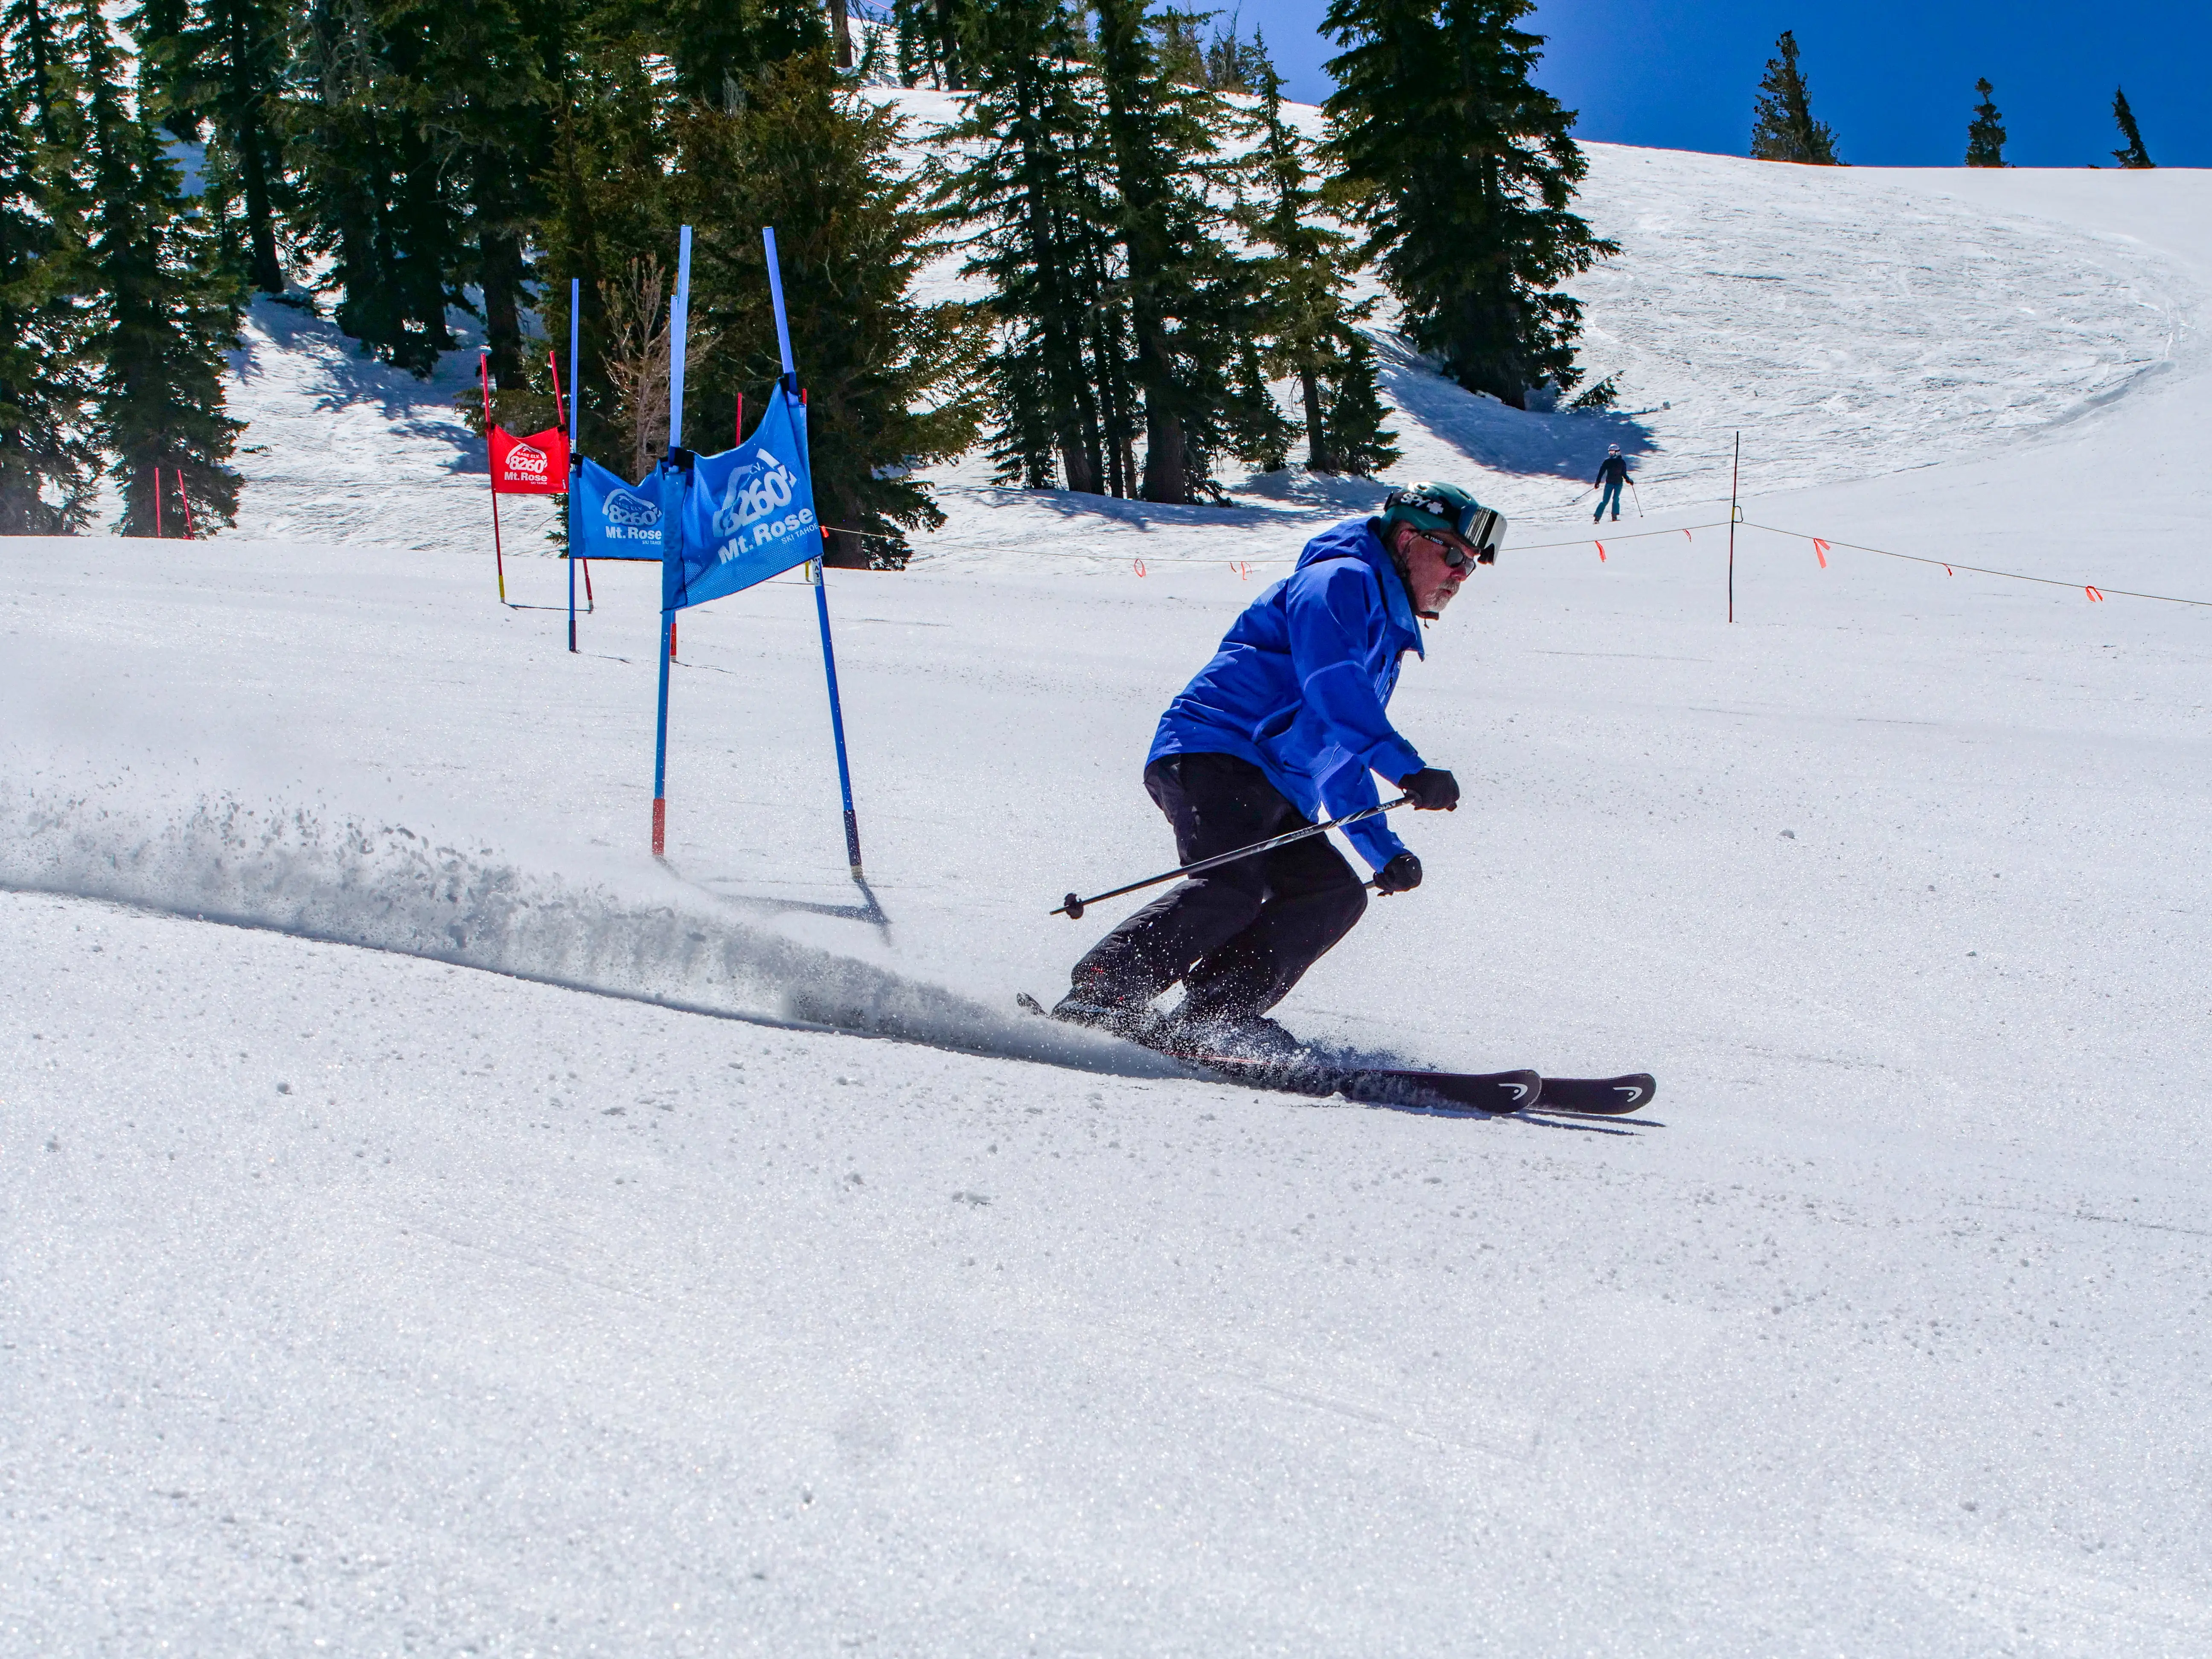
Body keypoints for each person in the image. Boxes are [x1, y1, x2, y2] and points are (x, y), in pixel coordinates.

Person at [1052, 483, 1505, 1062]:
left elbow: (1341, 756)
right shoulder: (1340, 581)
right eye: (1455, 556)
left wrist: (1381, 850)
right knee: (1231, 885)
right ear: (1408, 537)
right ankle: (1101, 994)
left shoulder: (1383, 633)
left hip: (1273, 783)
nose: (1461, 575)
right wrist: (1408, 769)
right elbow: (1333, 690)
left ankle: (1212, 1015)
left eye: (1470, 566)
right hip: (1215, 751)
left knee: (1333, 893)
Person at [1592, 444, 1630, 522]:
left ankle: (1614, 517)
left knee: (1616, 499)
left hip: (1618, 483)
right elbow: (1601, 472)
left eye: (1612, 452)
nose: (1611, 454)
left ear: (1617, 452)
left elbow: (1624, 473)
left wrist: (1628, 480)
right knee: (1605, 501)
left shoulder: (1622, 462)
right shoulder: (1607, 462)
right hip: (1609, 483)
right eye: (1610, 452)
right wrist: (1597, 482)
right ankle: (1597, 518)